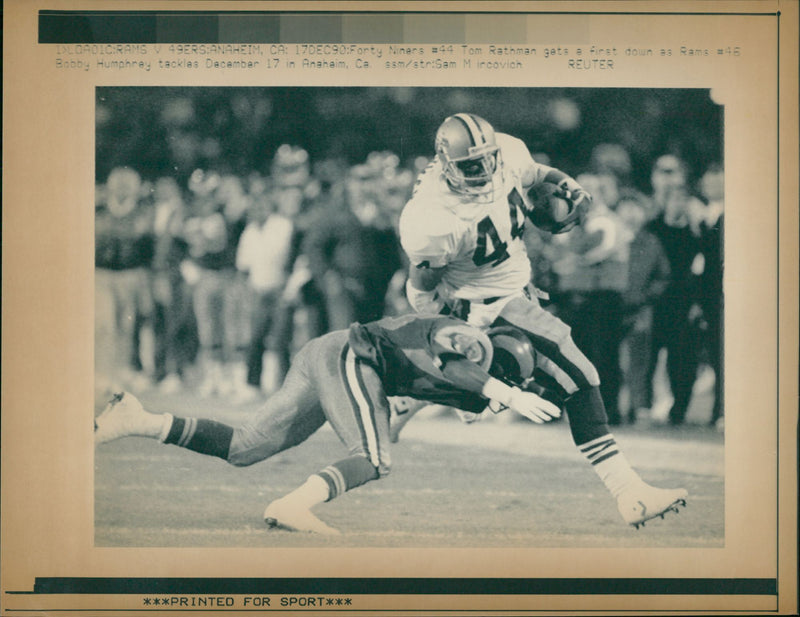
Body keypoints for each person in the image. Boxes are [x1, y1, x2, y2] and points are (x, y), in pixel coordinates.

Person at [396, 113, 687, 525]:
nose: (483, 171)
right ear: (446, 162)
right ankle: (630, 493)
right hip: (480, 303)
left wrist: (567, 184)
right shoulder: (432, 214)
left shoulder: (507, 152)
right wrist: (447, 335)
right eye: (470, 166)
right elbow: (422, 288)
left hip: (516, 290)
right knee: (580, 374)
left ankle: (412, 396)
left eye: (487, 160)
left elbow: (534, 172)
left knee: (503, 388)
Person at [95, 315, 567, 535]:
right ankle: (293, 505)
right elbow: (451, 361)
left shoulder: (475, 380)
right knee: (374, 460)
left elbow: (416, 396)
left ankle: (138, 419)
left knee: (246, 446)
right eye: (509, 383)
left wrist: (395, 420)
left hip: (334, 355)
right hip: (349, 357)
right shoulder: (472, 347)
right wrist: (504, 392)